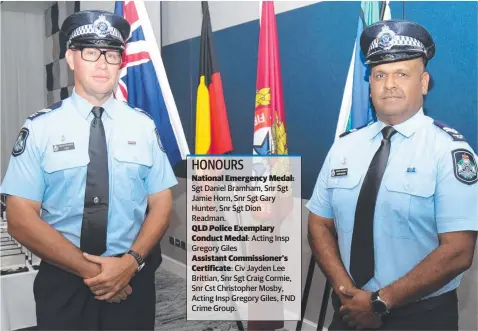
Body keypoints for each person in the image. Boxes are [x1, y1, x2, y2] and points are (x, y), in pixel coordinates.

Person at [2, 10, 177, 330]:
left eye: (112, 54)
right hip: (65, 282)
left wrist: (131, 263)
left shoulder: (143, 126)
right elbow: (19, 218)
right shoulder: (40, 128)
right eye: (90, 52)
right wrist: (95, 273)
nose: (102, 63)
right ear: (71, 58)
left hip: (133, 280)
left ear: (121, 62)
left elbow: (162, 203)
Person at [307, 20, 477, 330]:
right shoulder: (344, 146)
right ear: (369, 84)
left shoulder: (449, 152)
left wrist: (379, 302)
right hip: (348, 310)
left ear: (423, 83)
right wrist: (348, 293)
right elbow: (319, 223)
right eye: (379, 75)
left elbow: (459, 251)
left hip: (421, 317)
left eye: (402, 74)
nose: (389, 85)